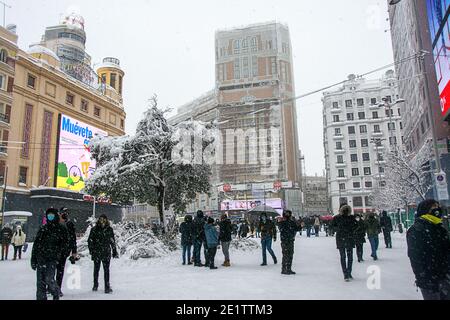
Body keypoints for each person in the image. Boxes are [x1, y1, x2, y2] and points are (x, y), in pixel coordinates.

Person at [407, 199, 450, 300]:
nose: (437, 209)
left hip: (445, 276)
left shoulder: (440, 228)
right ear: (425, 210)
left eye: (437, 206)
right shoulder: (417, 229)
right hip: (429, 279)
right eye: (433, 207)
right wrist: (422, 277)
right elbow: (415, 256)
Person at [31, 208, 69, 300]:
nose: (50, 217)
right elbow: (36, 244)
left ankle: (56, 292)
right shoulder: (43, 229)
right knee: (40, 282)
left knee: (49, 279)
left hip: (52, 259)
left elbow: (65, 244)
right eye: (48, 215)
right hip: (41, 258)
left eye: (52, 215)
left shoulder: (61, 229)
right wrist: (33, 259)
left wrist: (60, 254)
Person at [88, 214, 118, 294]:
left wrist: (114, 251)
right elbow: (90, 241)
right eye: (101, 219)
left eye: (104, 219)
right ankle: (96, 285)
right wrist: (91, 250)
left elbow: (112, 241)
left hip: (105, 252)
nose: (102, 221)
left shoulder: (109, 229)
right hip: (98, 252)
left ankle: (106, 287)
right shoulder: (94, 229)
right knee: (97, 269)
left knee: (105, 270)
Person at [330, 204, 357, 281]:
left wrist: (338, 229)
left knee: (344, 257)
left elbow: (331, 227)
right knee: (349, 257)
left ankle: (346, 273)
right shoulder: (350, 217)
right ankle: (348, 273)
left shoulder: (337, 218)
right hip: (348, 238)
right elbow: (356, 226)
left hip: (342, 238)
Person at [56, 207, 78, 296]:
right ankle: (50, 287)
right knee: (51, 269)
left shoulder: (70, 224)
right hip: (53, 250)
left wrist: (74, 251)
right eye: (63, 213)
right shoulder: (55, 223)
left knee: (60, 270)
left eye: (66, 213)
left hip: (64, 250)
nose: (65, 215)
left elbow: (73, 238)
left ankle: (57, 288)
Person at [277, 210, 299, 275]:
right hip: (284, 241)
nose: (287, 214)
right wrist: (279, 222)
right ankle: (284, 269)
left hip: (291, 240)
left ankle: (289, 269)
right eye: (286, 213)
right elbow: (280, 228)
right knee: (285, 255)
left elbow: (296, 228)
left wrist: (300, 226)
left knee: (290, 254)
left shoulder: (292, 222)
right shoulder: (282, 222)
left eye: (288, 213)